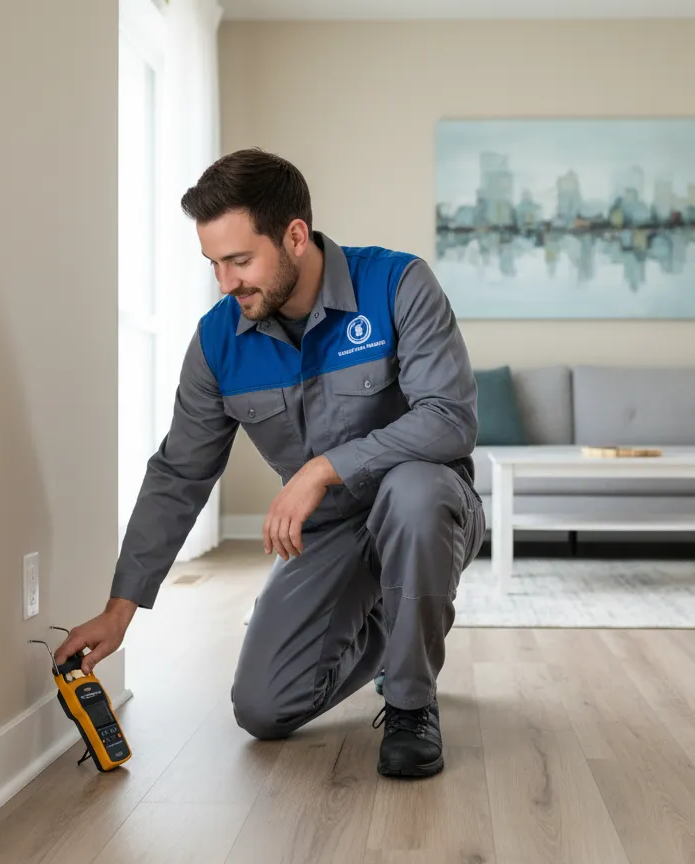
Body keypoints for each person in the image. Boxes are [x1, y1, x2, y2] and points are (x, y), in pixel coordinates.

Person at [54, 148, 485, 779]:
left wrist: (320, 469)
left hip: (429, 509)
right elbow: (179, 474)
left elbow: (449, 419)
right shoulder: (218, 340)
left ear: (295, 236)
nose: (227, 283)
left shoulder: (397, 285)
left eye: (239, 260)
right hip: (330, 532)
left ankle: (410, 704)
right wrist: (120, 608)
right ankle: (390, 626)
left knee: (414, 494)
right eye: (213, 264)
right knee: (263, 708)